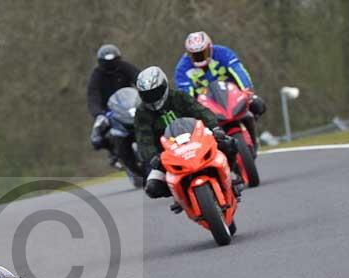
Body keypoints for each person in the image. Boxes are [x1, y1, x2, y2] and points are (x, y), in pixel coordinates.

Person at [133, 66, 241, 201]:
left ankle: (231, 174)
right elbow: (143, 139)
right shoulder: (142, 113)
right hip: (166, 154)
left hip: (198, 140)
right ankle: (180, 196)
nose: (152, 98)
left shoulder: (179, 97)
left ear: (164, 86)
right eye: (147, 95)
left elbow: (201, 111)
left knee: (229, 143)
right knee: (152, 188)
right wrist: (152, 157)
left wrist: (215, 128)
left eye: (155, 92)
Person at [173, 31, 266, 148]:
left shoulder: (223, 52)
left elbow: (239, 71)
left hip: (231, 95)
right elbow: (185, 93)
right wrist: (192, 110)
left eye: (203, 52)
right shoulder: (182, 68)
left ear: (210, 47)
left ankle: (252, 134)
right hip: (206, 104)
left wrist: (247, 91)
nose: (200, 57)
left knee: (258, 105)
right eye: (195, 54)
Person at [87, 44, 140, 169]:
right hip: (109, 111)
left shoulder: (125, 67)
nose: (111, 64)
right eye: (107, 62)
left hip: (130, 105)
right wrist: (99, 113)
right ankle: (113, 153)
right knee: (98, 136)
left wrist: (146, 91)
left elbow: (139, 77)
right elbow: (93, 96)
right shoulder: (96, 75)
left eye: (114, 61)